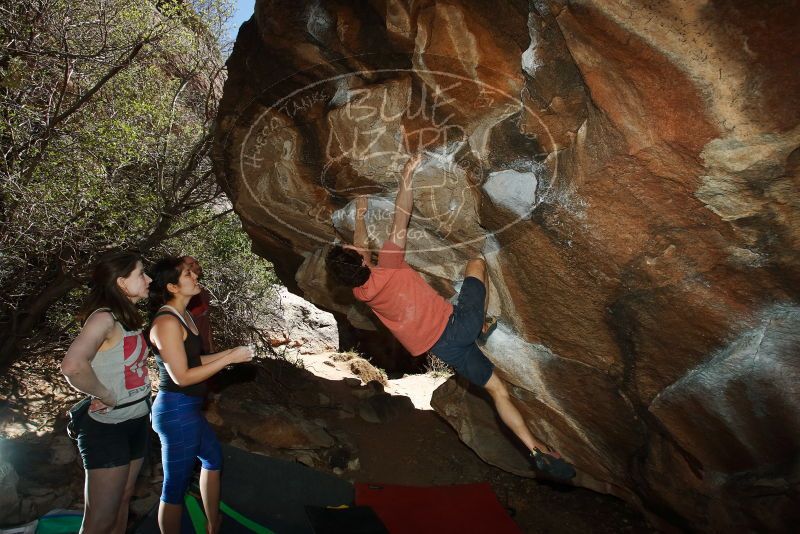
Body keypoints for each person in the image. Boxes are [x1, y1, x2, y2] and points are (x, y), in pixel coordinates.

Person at [326, 154, 575, 481]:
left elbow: (359, 252)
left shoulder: (361, 292)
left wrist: (360, 217)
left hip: (442, 349)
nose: (356, 247)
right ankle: (481, 324)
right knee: (476, 264)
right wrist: (405, 176)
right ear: (359, 260)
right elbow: (402, 215)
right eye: (354, 250)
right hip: (458, 326)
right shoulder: (390, 262)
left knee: (497, 391)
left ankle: (533, 449)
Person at [147, 256, 254, 534]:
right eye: (187, 275)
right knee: (174, 489)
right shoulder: (166, 323)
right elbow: (181, 376)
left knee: (213, 459)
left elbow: (197, 361)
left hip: (188, 409)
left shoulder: (184, 316)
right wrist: (228, 360)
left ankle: (212, 523)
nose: (195, 276)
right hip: (175, 412)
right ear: (172, 286)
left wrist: (231, 355)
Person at [61, 251, 153, 534]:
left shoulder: (127, 317)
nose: (149, 279)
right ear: (122, 282)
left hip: (136, 422)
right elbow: (73, 366)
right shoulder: (104, 319)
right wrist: (104, 393)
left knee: (124, 501)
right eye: (141, 274)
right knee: (99, 520)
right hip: (107, 430)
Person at [182, 256, 213, 354]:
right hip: (191, 353)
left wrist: (211, 349)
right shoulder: (183, 296)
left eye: (196, 263)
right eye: (191, 265)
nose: (197, 266)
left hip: (205, 351)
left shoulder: (202, 292)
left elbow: (206, 323)